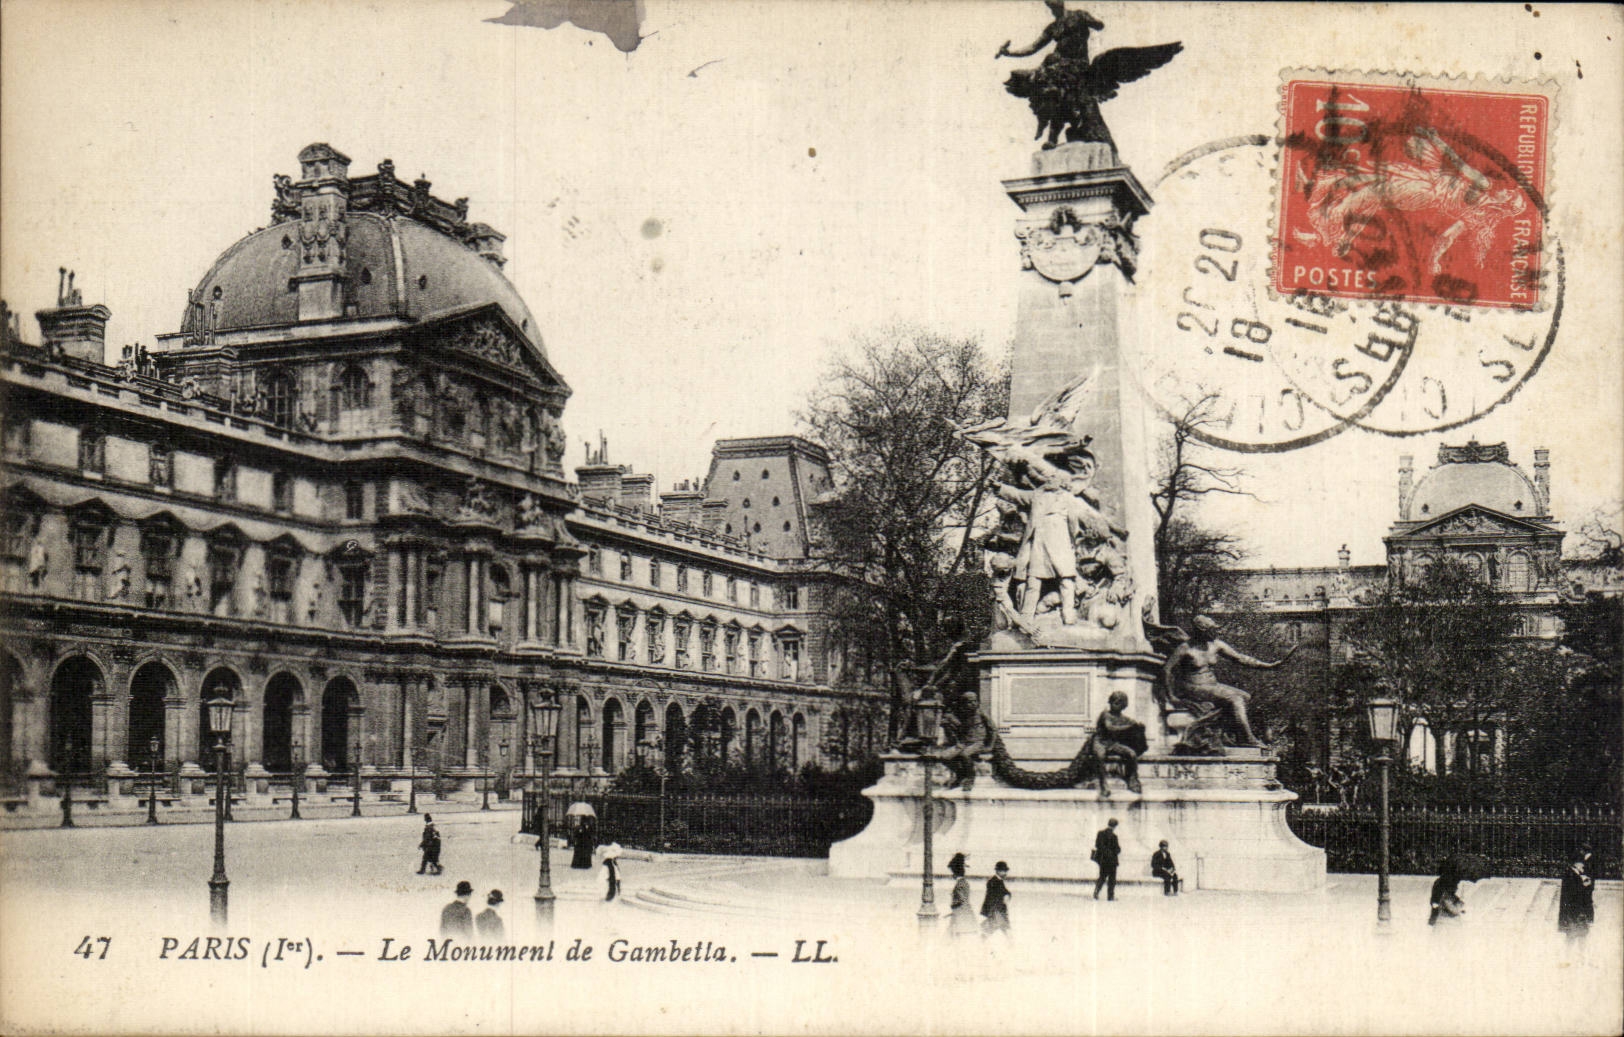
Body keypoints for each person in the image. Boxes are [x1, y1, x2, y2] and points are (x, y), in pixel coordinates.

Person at [1160, 615, 1297, 748]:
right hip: (1192, 687)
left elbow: (1240, 658)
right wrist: (1171, 695)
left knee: (1246, 697)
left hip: (1211, 685)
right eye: (1212, 630)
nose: (1216, 632)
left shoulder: (1216, 645)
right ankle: (1247, 738)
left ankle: (1232, 734)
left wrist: (1269, 666)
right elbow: (1167, 670)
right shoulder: (1185, 648)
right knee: (1235, 699)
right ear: (1201, 631)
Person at [1090, 691, 1146, 797]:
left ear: (1124, 705)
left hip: (1112, 744)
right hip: (1100, 742)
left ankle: (1132, 779)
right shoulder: (1105, 714)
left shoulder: (1123, 718)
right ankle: (1103, 784)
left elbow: (1133, 724)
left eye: (1118, 703)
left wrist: (1139, 727)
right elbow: (1110, 728)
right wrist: (1130, 727)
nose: (1114, 704)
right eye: (1113, 702)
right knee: (1100, 756)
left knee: (1131, 754)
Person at [1557, 847, 1595, 951]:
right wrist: (1584, 885)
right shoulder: (1570, 874)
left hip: (1577, 911)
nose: (1583, 866)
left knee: (1581, 935)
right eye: (1582, 864)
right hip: (1573, 911)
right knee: (1572, 935)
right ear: (1577, 864)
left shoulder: (1576, 874)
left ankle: (1579, 957)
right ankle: (1569, 957)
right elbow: (1572, 893)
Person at [947, 853, 979, 937]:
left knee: (957, 936)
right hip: (964, 913)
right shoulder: (964, 882)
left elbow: (962, 899)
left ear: (955, 873)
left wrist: (953, 904)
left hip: (961, 915)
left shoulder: (959, 884)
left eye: (952, 872)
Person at [1428, 856, 1465, 925]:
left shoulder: (1440, 881)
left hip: (1441, 914)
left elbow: (1434, 900)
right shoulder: (1446, 882)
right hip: (1444, 917)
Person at [981, 861, 1012, 936]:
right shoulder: (993, 881)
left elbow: (1005, 892)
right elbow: (993, 897)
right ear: (998, 871)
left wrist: (1008, 895)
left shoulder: (998, 881)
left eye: (1005, 871)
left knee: (991, 929)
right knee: (1002, 929)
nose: (1005, 873)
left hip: (998, 911)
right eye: (1003, 871)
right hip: (996, 911)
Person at [1092, 818, 1121, 900]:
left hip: (1104, 860)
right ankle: (1110, 896)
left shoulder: (1100, 833)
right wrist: (1112, 852)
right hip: (1112, 861)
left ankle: (1096, 892)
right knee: (1112, 879)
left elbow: (1098, 845)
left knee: (1102, 877)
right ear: (1115, 826)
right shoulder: (1114, 836)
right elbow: (1117, 849)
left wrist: (1106, 852)